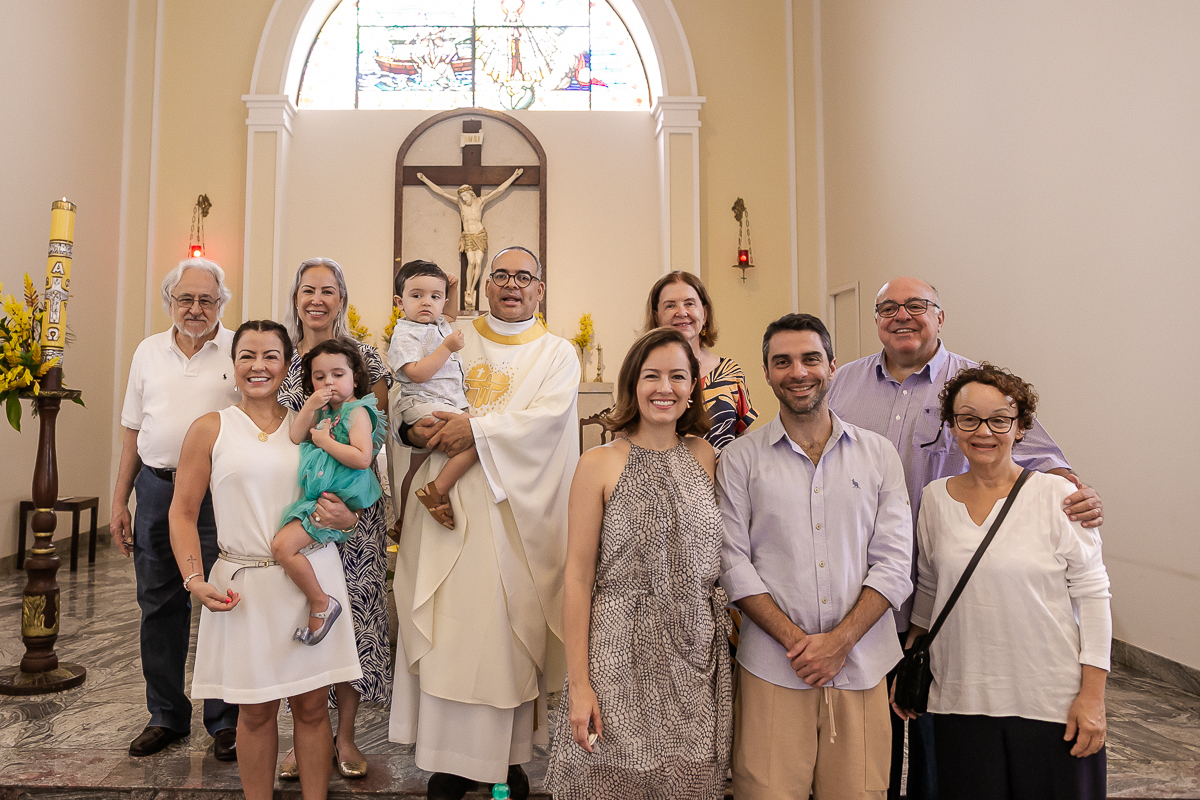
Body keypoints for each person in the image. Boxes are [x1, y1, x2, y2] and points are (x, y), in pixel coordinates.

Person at [825, 276, 1105, 800]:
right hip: (862, 599)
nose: (902, 315)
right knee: (870, 752)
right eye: (888, 307)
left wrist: (1078, 494)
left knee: (941, 752)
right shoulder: (844, 385)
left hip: (953, 610)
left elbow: (1047, 461)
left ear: (940, 315)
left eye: (916, 305)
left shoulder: (974, 384)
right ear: (876, 318)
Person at [389, 246, 580, 800]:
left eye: (525, 277)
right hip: (442, 516)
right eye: (501, 275)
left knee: (501, 642)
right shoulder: (450, 333)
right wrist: (415, 432)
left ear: (540, 289)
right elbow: (405, 394)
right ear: (483, 285)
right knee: (447, 635)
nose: (512, 285)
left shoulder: (557, 354)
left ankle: (506, 762)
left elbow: (545, 424)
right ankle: (445, 763)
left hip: (510, 523)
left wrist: (474, 428)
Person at [892, 364, 1110, 799]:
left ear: (1021, 427)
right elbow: (930, 592)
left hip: (1048, 700)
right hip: (957, 696)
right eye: (968, 418)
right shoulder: (935, 499)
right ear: (951, 426)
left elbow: (1093, 597)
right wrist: (910, 664)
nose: (983, 432)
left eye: (999, 420)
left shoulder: (1058, 496)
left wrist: (1092, 696)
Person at [718, 313, 913, 800]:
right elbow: (732, 563)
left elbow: (893, 561)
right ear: (766, 372)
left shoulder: (878, 454)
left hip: (862, 665)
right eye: (782, 362)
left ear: (832, 365)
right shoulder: (741, 458)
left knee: (859, 792)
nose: (797, 372)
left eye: (810, 359)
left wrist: (839, 643)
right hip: (772, 666)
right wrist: (799, 643)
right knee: (765, 792)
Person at [170, 320, 361, 800]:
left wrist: (346, 518)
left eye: (271, 356)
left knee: (314, 707)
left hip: (310, 577)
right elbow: (183, 512)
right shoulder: (210, 428)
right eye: (247, 356)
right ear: (232, 365)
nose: (258, 366)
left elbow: (348, 501)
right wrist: (194, 579)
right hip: (246, 585)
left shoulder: (316, 424)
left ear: (287, 365)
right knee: (254, 712)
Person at [545, 327, 732, 800]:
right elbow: (578, 577)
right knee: (611, 782)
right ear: (631, 385)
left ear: (692, 388)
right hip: (618, 653)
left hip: (694, 654)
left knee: (685, 783)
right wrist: (580, 684)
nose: (664, 388)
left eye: (677, 377)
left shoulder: (706, 456)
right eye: (651, 376)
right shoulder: (599, 462)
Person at [110, 257, 239, 760]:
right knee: (158, 603)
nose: (195, 308)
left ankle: (225, 721)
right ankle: (165, 714)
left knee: (222, 603)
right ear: (170, 303)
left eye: (207, 299)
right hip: (157, 490)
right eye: (185, 298)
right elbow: (132, 432)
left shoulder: (238, 349)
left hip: (217, 495)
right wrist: (121, 498)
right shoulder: (147, 352)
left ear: (221, 304)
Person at [276, 257, 392, 780]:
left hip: (355, 509)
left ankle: (344, 737)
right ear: (296, 297)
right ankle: (305, 738)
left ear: (342, 298)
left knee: (355, 623)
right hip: (299, 503)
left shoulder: (362, 355)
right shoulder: (280, 358)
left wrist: (354, 509)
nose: (317, 299)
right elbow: (278, 435)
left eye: (328, 289)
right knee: (302, 621)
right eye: (308, 290)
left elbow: (375, 438)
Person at [274, 339, 386, 644]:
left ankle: (321, 603)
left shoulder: (357, 412)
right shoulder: (324, 412)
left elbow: (362, 457)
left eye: (337, 374)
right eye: (319, 376)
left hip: (341, 498)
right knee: (286, 548)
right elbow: (296, 437)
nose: (329, 382)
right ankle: (319, 603)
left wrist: (325, 443)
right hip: (319, 498)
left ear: (355, 377)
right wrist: (310, 405)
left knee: (283, 548)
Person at [386, 260, 473, 530]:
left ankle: (401, 520)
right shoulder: (405, 333)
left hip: (441, 402)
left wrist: (453, 289)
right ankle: (437, 489)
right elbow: (417, 373)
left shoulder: (437, 323)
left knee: (415, 467)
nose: (427, 303)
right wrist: (447, 347)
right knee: (478, 439)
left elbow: (451, 312)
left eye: (435, 297)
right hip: (423, 403)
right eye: (417, 296)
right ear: (399, 302)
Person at [415, 168, 523, 311]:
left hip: (479, 234)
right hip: (468, 236)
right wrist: (424, 179)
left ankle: (471, 290)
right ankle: (468, 291)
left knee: (478, 263)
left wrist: (514, 176)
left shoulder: (479, 202)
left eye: (466, 195)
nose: (464, 198)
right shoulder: (460, 204)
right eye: (462, 196)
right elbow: (441, 192)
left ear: (471, 194)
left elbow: (497, 191)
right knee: (471, 262)